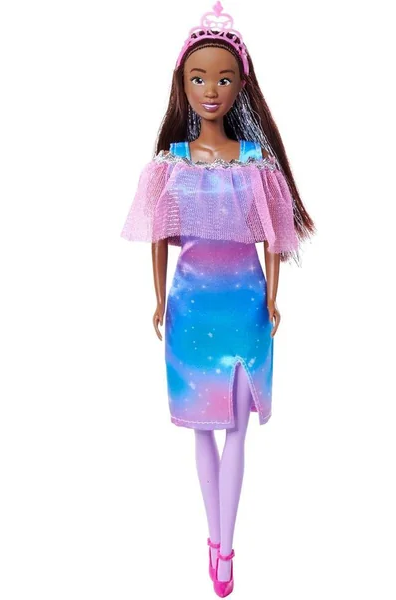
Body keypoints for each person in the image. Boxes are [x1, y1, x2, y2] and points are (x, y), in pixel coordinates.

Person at [120, 2, 315, 596]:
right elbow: (158, 236)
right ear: (182, 84)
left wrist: (274, 297)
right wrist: (159, 298)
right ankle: (216, 538)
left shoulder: (256, 164)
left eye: (224, 79)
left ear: (240, 87)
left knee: (237, 427)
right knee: (203, 427)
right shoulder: (169, 165)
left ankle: (225, 547)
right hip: (190, 304)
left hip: (246, 304)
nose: (211, 90)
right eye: (199, 78)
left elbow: (274, 238)